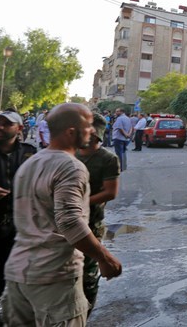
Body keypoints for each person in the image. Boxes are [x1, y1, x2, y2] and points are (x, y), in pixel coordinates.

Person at [1, 103, 122, 326]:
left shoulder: (32, 163)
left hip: (19, 273)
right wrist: (104, 258)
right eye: (87, 126)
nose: (92, 131)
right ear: (71, 132)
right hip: (54, 277)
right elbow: (69, 221)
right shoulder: (70, 167)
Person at [0, 112, 36, 325]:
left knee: (23, 275)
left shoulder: (30, 154)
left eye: (5, 124)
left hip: (20, 227)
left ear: (18, 129)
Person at [75, 113, 120, 316]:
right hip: (62, 223)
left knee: (87, 277)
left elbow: (110, 192)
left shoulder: (107, 159)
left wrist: (81, 202)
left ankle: (84, 315)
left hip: (91, 222)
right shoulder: (70, 154)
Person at [112, 107, 132, 171]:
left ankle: (119, 167)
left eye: (117, 111)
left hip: (119, 138)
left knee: (119, 153)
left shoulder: (120, 118)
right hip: (125, 139)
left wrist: (125, 135)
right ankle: (123, 167)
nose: (116, 113)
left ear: (122, 112)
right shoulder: (128, 118)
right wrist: (128, 134)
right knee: (123, 153)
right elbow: (131, 127)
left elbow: (120, 128)